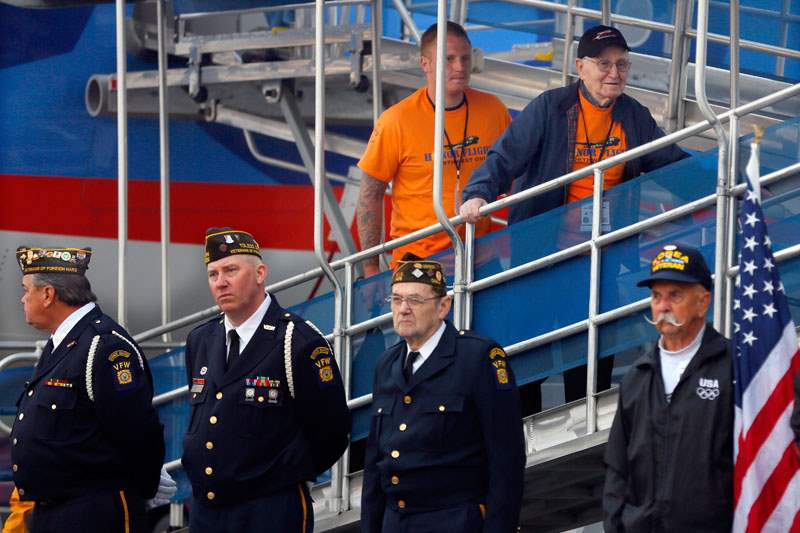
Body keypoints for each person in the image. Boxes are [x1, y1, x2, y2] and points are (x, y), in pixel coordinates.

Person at [460, 25, 690, 410]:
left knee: (593, 358)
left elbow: (671, 162)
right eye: (604, 64)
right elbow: (504, 156)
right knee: (531, 352)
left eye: (622, 64)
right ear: (580, 67)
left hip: (600, 259)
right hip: (541, 257)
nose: (614, 73)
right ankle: (524, 439)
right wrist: (477, 192)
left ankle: (583, 436)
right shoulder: (551, 108)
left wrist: (725, 181)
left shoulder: (632, 116)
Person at [182, 228, 351, 532]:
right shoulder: (201, 340)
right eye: (213, 274)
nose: (221, 282)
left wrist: (281, 476)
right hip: (208, 513)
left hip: (269, 509)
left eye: (231, 270)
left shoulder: (296, 340)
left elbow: (332, 431)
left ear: (260, 273)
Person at [361, 252, 526, 533]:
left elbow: (506, 459)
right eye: (397, 299)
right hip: (395, 523)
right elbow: (376, 465)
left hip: (453, 520)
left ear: (443, 306)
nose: (403, 309)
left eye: (415, 300)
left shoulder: (477, 357)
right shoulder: (387, 364)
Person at [11, 246, 167, 533]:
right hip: (53, 512)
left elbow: (137, 433)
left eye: (26, 290)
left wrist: (143, 488)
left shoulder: (103, 346)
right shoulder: (64, 343)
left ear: (48, 295)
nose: (22, 299)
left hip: (91, 514)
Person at [356, 21, 511, 275]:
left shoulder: (494, 110)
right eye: (448, 59)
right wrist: (371, 268)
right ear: (425, 64)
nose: (459, 67)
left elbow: (515, 175)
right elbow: (369, 195)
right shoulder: (397, 120)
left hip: (481, 259)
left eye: (464, 58)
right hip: (418, 265)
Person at [603, 243, 733, 532]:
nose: (663, 306)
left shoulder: (732, 367)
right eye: (656, 296)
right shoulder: (637, 377)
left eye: (675, 295)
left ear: (703, 301)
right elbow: (617, 471)